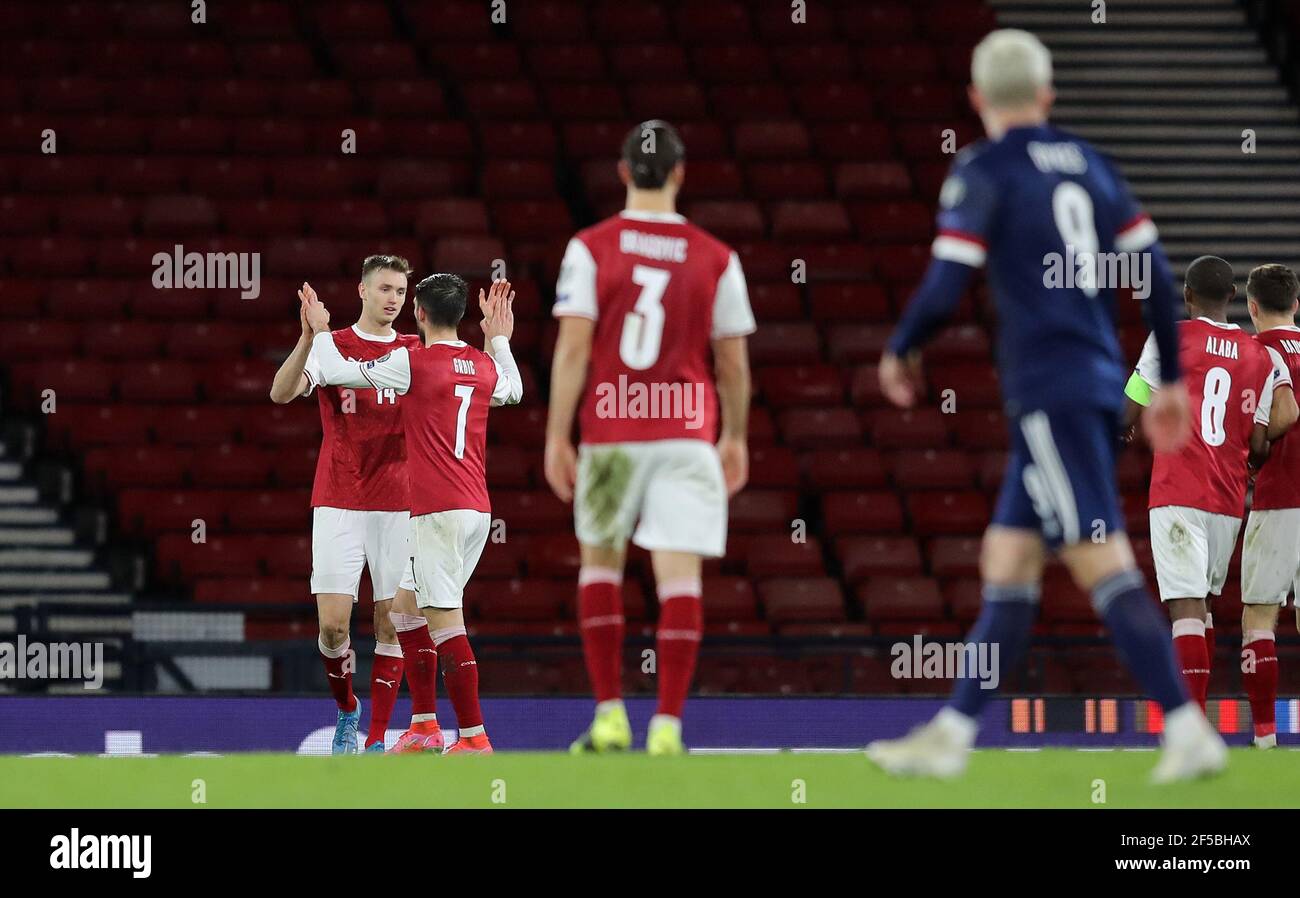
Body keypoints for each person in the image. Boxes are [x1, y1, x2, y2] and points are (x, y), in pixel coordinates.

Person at [870, 29, 1225, 783]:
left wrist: (901, 347)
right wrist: (1166, 382)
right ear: (1047, 94)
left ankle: (1190, 728)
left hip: (1051, 392)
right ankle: (954, 734)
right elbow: (1157, 276)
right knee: (1009, 558)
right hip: (1087, 383)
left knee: (1099, 558)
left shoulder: (984, 168)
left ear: (975, 100)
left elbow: (946, 280)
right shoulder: (1092, 166)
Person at [544, 120, 756, 755]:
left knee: (600, 563)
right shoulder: (717, 256)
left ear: (622, 173)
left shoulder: (590, 247)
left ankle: (610, 713)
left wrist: (558, 434)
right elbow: (734, 363)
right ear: (681, 173)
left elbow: (574, 346)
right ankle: (667, 726)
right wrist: (736, 435)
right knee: (679, 579)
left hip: (611, 430)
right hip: (687, 433)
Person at [302, 275, 523, 754]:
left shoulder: (413, 362)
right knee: (404, 609)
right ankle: (424, 726)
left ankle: (473, 737)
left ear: (418, 314)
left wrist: (319, 330)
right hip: (477, 510)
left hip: (436, 513)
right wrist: (499, 338)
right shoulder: (482, 365)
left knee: (446, 624)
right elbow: (514, 389)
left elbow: (340, 371)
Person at [268, 254, 426, 754]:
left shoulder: (415, 351)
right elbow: (280, 392)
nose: (393, 299)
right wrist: (306, 338)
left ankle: (377, 736)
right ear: (361, 290)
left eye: (400, 291)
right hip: (338, 500)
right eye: (384, 289)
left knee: (391, 622)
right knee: (333, 626)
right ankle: (346, 711)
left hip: (399, 505)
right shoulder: (331, 347)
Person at [1123, 255, 1295, 713]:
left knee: (1185, 609)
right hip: (1228, 502)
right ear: (1235, 299)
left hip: (1178, 491)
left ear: (1187, 297)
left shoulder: (1171, 337)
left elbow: (1133, 401)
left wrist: (1125, 430)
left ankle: (1192, 731)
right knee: (1204, 609)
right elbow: (1260, 442)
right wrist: (1248, 456)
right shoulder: (1260, 356)